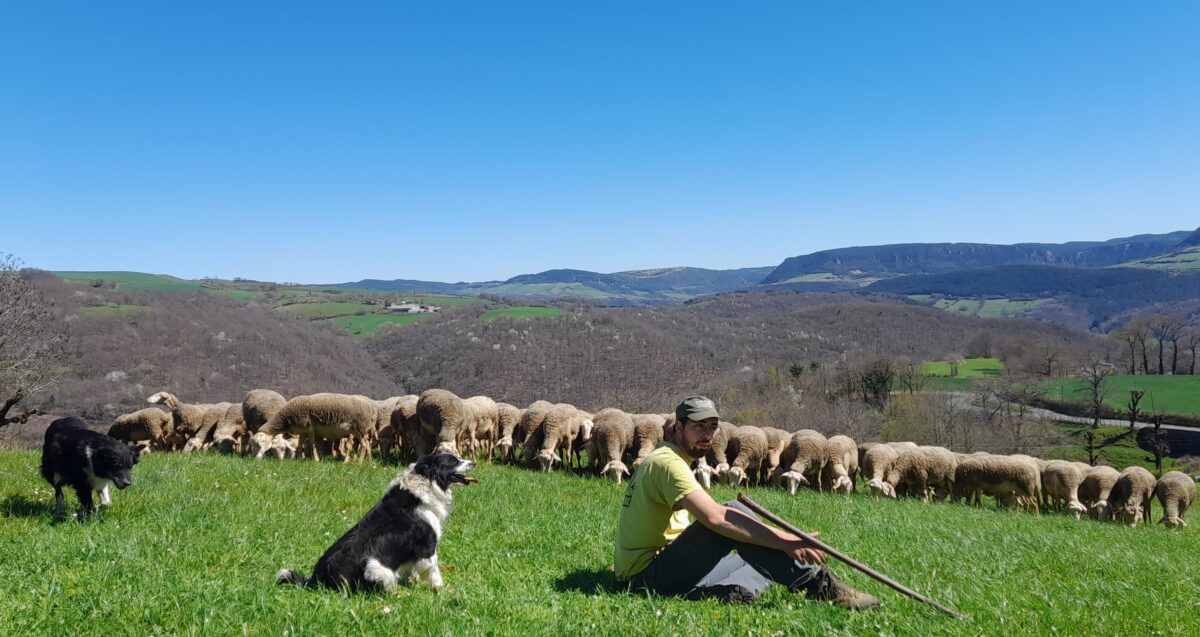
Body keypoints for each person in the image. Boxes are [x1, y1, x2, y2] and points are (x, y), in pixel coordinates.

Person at [613, 396, 879, 608]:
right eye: (698, 427)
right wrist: (784, 539)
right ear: (679, 427)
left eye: (712, 427)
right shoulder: (668, 464)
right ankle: (819, 586)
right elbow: (716, 518)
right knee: (733, 513)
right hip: (646, 577)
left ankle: (724, 593)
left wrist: (774, 540)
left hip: (656, 566)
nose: (708, 435)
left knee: (756, 555)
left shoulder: (665, 457)